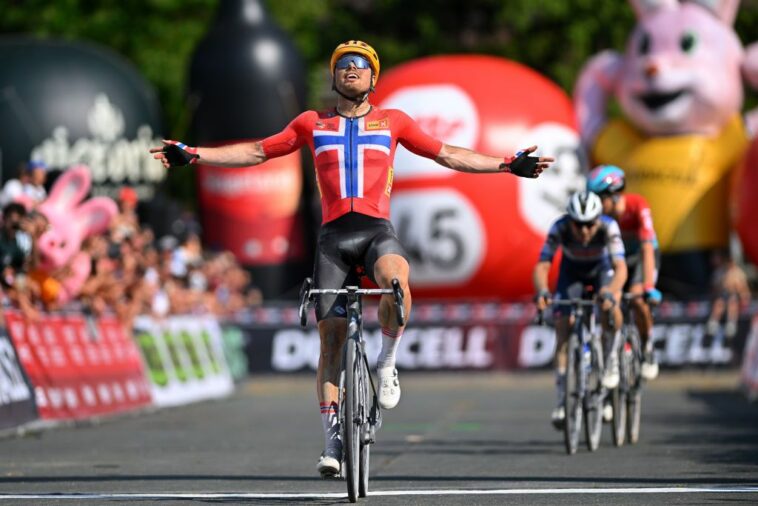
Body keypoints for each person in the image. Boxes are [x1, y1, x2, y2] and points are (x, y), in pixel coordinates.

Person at [151, 40, 553, 477]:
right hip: (333, 239)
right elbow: (256, 151)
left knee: (397, 281)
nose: (351, 70)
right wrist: (195, 154)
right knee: (331, 340)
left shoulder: (393, 121)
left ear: (373, 77)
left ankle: (387, 360)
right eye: (343, 64)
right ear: (333, 75)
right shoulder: (311, 122)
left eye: (361, 65)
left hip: (376, 231)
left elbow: (448, 153)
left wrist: (506, 164)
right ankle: (331, 441)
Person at [533, 190, 627, 428]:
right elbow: (543, 264)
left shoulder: (609, 227)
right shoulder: (560, 227)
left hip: (601, 270)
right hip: (571, 273)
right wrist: (543, 291)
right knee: (562, 330)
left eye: (589, 225)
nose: (584, 231)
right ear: (570, 221)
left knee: (609, 308)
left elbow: (620, 268)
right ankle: (562, 401)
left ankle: (610, 359)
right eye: (578, 225)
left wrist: (611, 291)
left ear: (598, 219)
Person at [586, 165, 661, 380]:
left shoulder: (638, 206)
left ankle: (647, 348)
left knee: (638, 300)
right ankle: (608, 362)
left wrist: (648, 287)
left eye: (600, 199)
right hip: (617, 260)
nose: (596, 205)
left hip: (641, 258)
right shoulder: (600, 217)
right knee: (609, 302)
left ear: (614, 196)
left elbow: (647, 249)